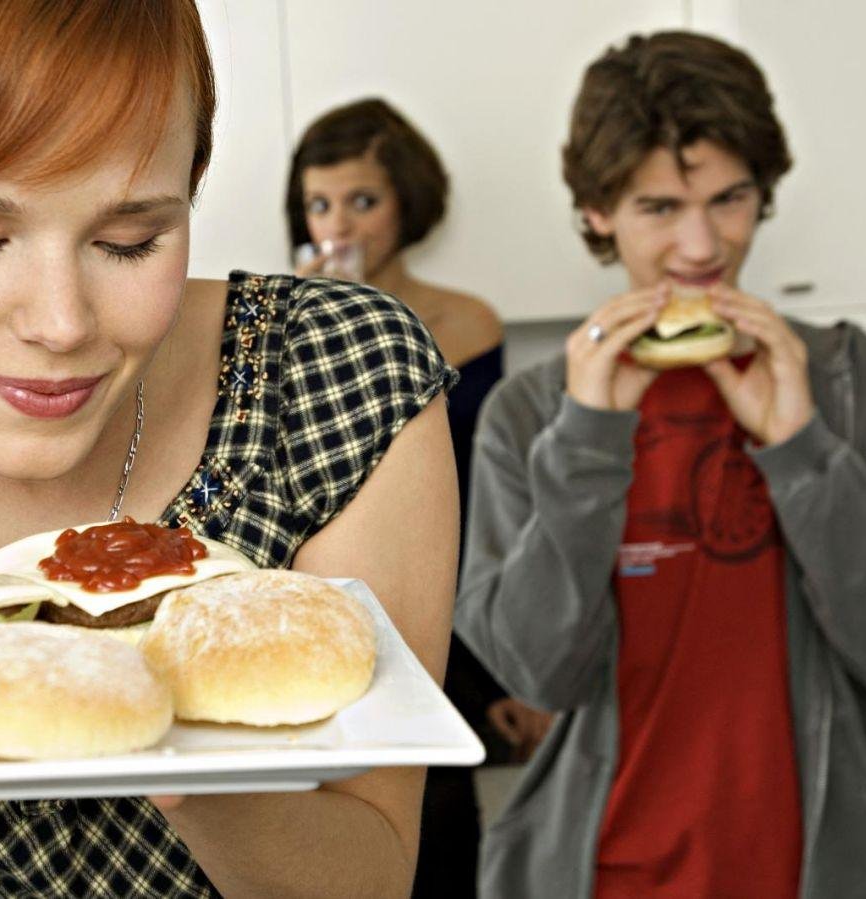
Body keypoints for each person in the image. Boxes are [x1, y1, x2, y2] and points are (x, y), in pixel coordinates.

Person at [0, 2, 461, 896]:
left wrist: (161, 724)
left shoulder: (331, 372)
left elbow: (369, 876)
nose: (62, 324)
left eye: (129, 241)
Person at [456, 30, 866, 898]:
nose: (702, 246)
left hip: (816, 873)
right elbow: (538, 673)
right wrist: (588, 439)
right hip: (601, 874)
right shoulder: (532, 414)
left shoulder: (860, 382)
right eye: (659, 208)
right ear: (598, 212)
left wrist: (801, 448)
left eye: (729, 198)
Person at [286, 97, 550, 897]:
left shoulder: (469, 322)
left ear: (409, 202)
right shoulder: (285, 324)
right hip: (331, 610)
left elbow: (501, 502)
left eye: (363, 200)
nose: (339, 225)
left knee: (440, 831)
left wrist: (511, 674)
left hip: (457, 611)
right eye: (319, 204)